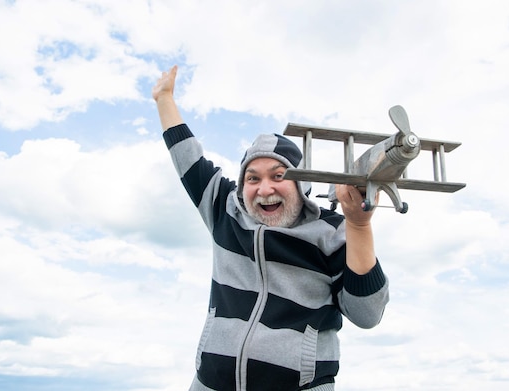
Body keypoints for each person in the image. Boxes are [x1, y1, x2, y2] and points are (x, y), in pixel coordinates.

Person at [152, 65, 389, 391]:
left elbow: (367, 314)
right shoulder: (226, 211)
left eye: (279, 176)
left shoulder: (331, 233)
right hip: (210, 384)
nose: (264, 189)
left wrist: (359, 225)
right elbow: (187, 155)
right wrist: (164, 98)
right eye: (253, 178)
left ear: (301, 184)